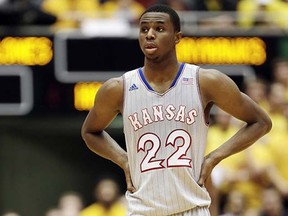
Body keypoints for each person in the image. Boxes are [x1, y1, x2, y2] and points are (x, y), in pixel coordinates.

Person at [81, 4, 272, 216]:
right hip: (142, 211)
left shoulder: (205, 81)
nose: (150, 35)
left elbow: (261, 122)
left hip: (192, 208)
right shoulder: (119, 88)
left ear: (177, 37)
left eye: (159, 29)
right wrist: (123, 159)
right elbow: (89, 131)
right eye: (144, 29)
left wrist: (214, 157)